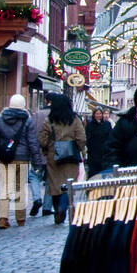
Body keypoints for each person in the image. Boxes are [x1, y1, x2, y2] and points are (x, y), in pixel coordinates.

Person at [0, 94, 42, 229]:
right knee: (20, 189)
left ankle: (3, 218)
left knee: (4, 188)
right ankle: (20, 218)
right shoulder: (27, 120)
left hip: (5, 158)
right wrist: (37, 161)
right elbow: (32, 142)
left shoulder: (1, 120)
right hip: (22, 159)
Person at [38, 93, 87, 225]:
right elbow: (81, 138)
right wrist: (80, 149)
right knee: (68, 184)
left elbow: (42, 139)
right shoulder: (75, 119)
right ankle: (62, 207)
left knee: (54, 185)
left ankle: (57, 210)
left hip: (53, 156)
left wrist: (47, 149)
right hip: (71, 156)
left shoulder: (49, 120)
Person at [29, 104, 50, 217]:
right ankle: (47, 207)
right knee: (50, 179)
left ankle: (37, 198)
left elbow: (31, 134)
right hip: (51, 154)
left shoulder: (36, 115)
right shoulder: (56, 115)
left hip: (38, 153)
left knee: (34, 176)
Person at [84, 108, 113, 178]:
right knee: (93, 174)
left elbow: (110, 137)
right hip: (93, 154)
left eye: (100, 113)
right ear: (94, 115)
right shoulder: (90, 125)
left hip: (104, 153)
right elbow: (88, 139)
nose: (98, 115)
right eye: (97, 113)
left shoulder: (107, 124)